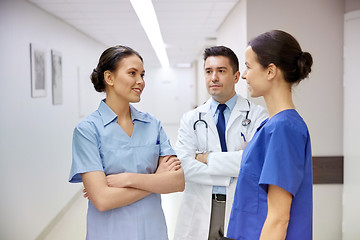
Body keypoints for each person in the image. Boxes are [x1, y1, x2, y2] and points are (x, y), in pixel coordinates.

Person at [68, 45, 185, 240]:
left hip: (153, 231)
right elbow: (103, 200)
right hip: (109, 233)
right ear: (109, 78)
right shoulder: (87, 130)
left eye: (142, 74)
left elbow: (177, 182)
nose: (140, 81)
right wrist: (156, 180)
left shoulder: (152, 124)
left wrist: (128, 179)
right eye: (132, 73)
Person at [173, 46, 268, 240]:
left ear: (236, 76)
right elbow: (184, 166)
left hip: (240, 205)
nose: (213, 77)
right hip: (200, 208)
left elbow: (256, 164)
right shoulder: (191, 119)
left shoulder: (258, 116)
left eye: (221, 71)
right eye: (208, 71)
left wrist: (206, 158)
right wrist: (228, 175)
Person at [227, 30, 313, 240]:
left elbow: (278, 218)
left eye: (248, 66)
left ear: (270, 71)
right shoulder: (271, 125)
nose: (244, 75)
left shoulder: (284, 129)